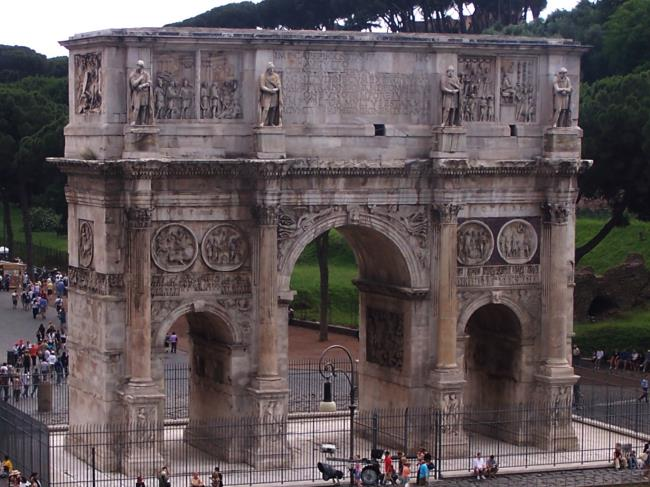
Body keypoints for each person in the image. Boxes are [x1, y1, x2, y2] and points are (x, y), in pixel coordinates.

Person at [129, 60, 154, 125]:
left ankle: (143, 122)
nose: (138, 67)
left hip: (145, 93)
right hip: (137, 93)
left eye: (140, 66)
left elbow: (149, 83)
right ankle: (133, 121)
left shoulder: (146, 74)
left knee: (144, 107)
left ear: (142, 67)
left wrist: (142, 85)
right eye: (137, 65)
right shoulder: (133, 74)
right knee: (136, 107)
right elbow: (133, 84)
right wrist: (140, 78)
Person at [258, 62, 282, 127]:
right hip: (266, 95)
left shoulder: (276, 76)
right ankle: (262, 122)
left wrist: (275, 89)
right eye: (270, 69)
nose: (272, 70)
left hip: (274, 95)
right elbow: (262, 86)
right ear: (267, 69)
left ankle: (271, 122)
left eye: (273, 69)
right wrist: (269, 90)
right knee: (266, 108)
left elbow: (279, 85)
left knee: (273, 109)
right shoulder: (263, 76)